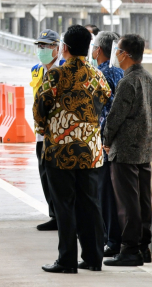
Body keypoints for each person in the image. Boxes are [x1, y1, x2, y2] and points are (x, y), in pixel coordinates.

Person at [34, 25, 111, 274]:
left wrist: (46, 128)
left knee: (64, 205)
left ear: (64, 47)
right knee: (90, 204)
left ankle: (66, 260)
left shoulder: (56, 74)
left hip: (60, 150)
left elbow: (40, 107)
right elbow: (104, 98)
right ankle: (93, 258)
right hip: (90, 149)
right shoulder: (96, 74)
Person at [103, 34, 152, 267]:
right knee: (143, 200)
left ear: (125, 54)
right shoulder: (150, 80)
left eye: (117, 50)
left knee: (127, 203)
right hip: (145, 149)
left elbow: (115, 118)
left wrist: (106, 139)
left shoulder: (127, 83)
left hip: (125, 151)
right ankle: (143, 248)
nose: (115, 54)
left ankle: (129, 249)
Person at [91, 31, 124, 258]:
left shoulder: (97, 76)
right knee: (117, 192)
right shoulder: (122, 73)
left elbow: (95, 111)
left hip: (103, 142)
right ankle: (115, 239)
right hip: (121, 142)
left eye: (94, 47)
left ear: (99, 50)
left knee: (105, 193)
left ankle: (109, 240)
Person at [30, 29, 63, 231]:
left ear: (57, 48)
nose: (42, 49)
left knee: (59, 177)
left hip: (58, 134)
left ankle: (63, 216)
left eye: (47, 46)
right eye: (40, 46)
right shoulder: (36, 70)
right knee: (45, 176)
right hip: (41, 133)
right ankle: (54, 215)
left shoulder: (64, 70)